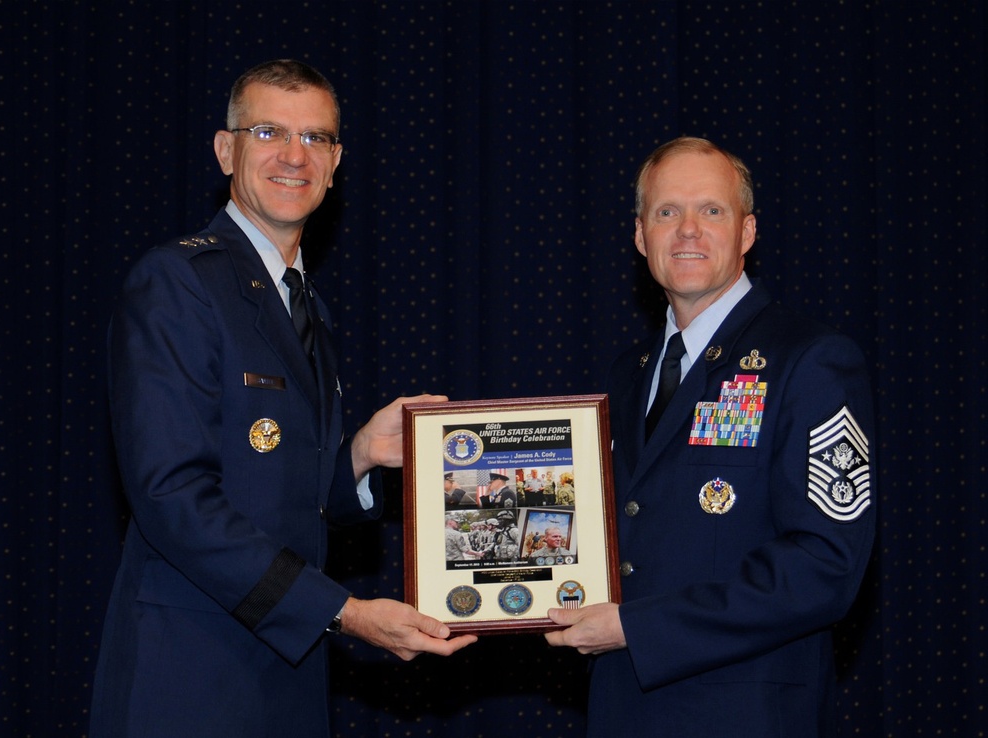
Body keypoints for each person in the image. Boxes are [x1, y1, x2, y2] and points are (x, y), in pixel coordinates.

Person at [90, 59, 475, 738]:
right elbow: (172, 495)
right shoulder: (178, 283)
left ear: (336, 163)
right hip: (189, 682)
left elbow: (277, 490)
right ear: (225, 148)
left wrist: (354, 457)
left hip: (286, 681)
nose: (295, 156)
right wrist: (346, 612)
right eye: (269, 132)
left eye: (317, 139)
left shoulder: (305, 305)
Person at [546, 137, 875, 737]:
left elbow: (826, 565)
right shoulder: (628, 372)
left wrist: (635, 629)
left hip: (747, 715)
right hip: (623, 708)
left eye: (712, 211)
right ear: (641, 236)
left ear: (748, 232)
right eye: (667, 212)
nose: (688, 230)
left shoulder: (811, 361)